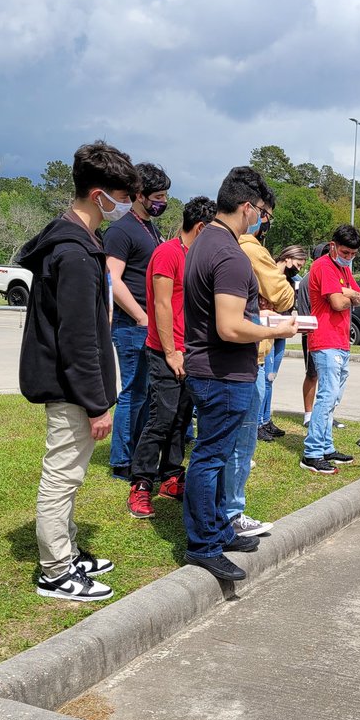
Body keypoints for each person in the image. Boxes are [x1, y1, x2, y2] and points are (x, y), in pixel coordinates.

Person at [18, 141, 139, 601]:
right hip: (68, 386)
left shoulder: (82, 241)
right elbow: (78, 338)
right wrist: (95, 404)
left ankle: (67, 550)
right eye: (121, 197)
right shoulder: (72, 252)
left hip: (70, 382)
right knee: (63, 474)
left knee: (70, 473)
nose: (125, 205)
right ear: (97, 194)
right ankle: (55, 570)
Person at [181, 167, 298, 581]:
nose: (262, 220)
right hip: (222, 374)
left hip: (209, 369)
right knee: (210, 459)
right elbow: (230, 327)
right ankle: (204, 545)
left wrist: (256, 318)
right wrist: (276, 329)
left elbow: (224, 315)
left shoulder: (204, 241)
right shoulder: (230, 255)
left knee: (213, 456)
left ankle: (218, 530)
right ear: (248, 207)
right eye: (263, 212)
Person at [126, 197, 214, 519]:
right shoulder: (167, 253)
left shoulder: (198, 257)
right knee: (161, 418)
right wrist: (171, 352)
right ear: (201, 228)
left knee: (181, 419)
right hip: (166, 350)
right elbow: (161, 305)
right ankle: (141, 483)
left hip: (191, 352)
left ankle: (172, 476)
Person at [223, 216, 298, 537]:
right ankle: (231, 513)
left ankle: (223, 512)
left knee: (224, 442)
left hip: (233, 356)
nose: (265, 222)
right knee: (240, 443)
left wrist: (258, 308)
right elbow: (284, 296)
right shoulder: (249, 247)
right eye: (265, 214)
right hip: (245, 357)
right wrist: (268, 303)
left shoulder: (214, 244)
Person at [104, 162, 170, 479]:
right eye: (158, 196)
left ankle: (140, 457)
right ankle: (122, 461)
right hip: (132, 326)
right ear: (139, 194)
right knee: (132, 393)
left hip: (149, 326)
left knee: (146, 393)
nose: (163, 202)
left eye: (165, 196)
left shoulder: (150, 229)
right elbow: (112, 279)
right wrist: (141, 315)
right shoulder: (121, 230)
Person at [301, 225, 360, 475]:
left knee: (333, 398)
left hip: (340, 340)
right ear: (333, 246)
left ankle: (326, 447)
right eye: (345, 252)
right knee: (326, 397)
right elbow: (338, 303)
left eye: (353, 254)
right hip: (325, 340)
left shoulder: (343, 269)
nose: (349, 258)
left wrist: (348, 292)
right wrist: (348, 294)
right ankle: (312, 452)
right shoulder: (324, 266)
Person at [257, 245, 307, 441]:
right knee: (264, 379)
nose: (298, 269)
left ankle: (266, 419)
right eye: (297, 265)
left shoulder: (291, 281)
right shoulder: (269, 276)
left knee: (271, 378)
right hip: (269, 331)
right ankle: (258, 422)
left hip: (281, 334)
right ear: (287, 259)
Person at [297, 243, 329, 428]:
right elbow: (304, 314)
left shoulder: (331, 277)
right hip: (313, 335)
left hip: (331, 336)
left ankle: (324, 415)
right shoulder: (307, 280)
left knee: (328, 378)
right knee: (312, 374)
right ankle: (308, 414)